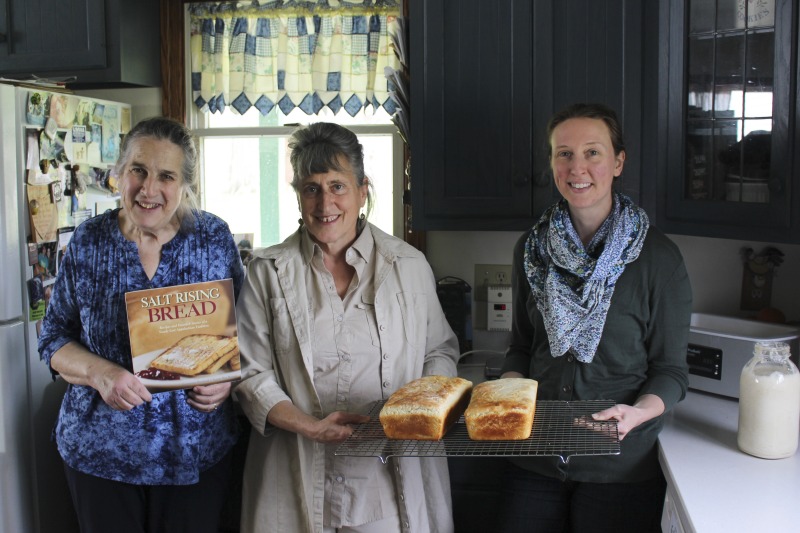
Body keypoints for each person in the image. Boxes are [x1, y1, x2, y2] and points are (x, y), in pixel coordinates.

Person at [234, 122, 460, 533]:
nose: (325, 204)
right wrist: (311, 426)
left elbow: (439, 350)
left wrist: (418, 408)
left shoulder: (408, 265)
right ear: (298, 196)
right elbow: (252, 375)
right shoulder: (266, 272)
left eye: (337, 186)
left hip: (388, 481)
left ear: (362, 190)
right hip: (297, 468)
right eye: (311, 188)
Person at [38, 117, 245, 533]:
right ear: (119, 173)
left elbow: (250, 330)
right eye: (138, 170)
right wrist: (102, 373)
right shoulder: (88, 241)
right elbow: (53, 338)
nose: (149, 189)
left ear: (184, 184)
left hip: (196, 454)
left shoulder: (213, 237)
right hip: (101, 456)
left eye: (165, 176)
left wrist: (228, 380)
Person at [498, 103, 692, 532]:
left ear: (618, 162)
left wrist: (638, 412)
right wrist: (508, 386)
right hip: (534, 458)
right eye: (563, 153)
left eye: (593, 152)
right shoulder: (531, 251)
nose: (577, 167)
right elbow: (522, 347)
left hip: (619, 468)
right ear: (551, 164)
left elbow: (672, 371)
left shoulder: (658, 259)